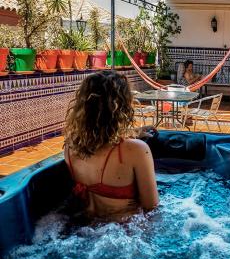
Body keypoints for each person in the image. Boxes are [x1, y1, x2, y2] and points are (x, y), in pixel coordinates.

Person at [64, 71, 159, 219]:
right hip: (125, 231)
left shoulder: (70, 147)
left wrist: (132, 133)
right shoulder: (137, 150)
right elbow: (151, 208)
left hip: (87, 226)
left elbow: (102, 139)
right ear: (121, 108)